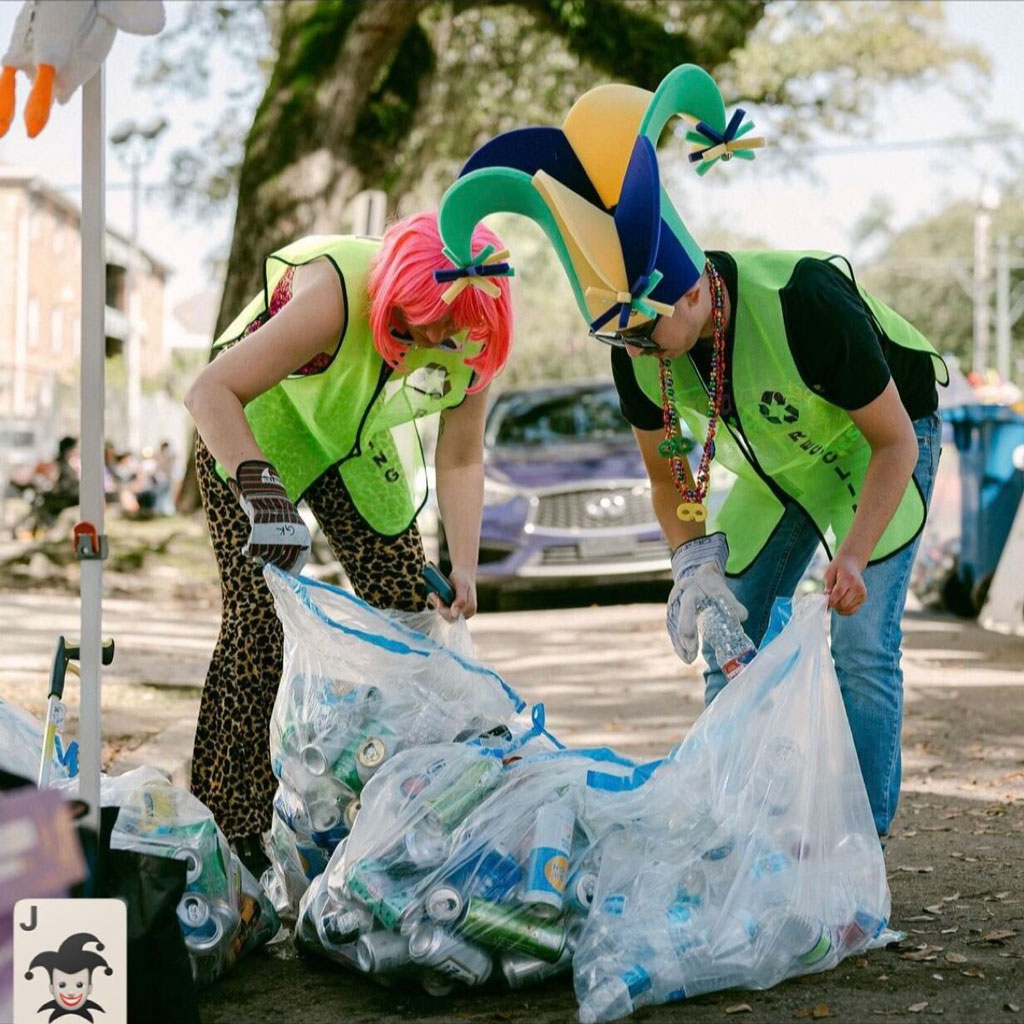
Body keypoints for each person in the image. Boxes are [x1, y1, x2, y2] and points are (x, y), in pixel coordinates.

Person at [434, 63, 946, 838]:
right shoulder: (637, 346)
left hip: (881, 444)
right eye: (622, 336)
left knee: (861, 643)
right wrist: (691, 567)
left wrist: (854, 556)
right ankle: (729, 826)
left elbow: (894, 442)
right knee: (728, 629)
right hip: (784, 462)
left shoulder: (807, 303)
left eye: (645, 330)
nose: (639, 350)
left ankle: (861, 841)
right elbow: (667, 471)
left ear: (696, 289)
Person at [183, 212, 514, 871]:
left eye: (459, 330)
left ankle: (421, 790)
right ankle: (232, 830)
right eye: (433, 326)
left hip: (354, 444)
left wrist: (466, 567)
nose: (447, 339)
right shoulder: (338, 293)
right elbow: (208, 391)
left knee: (410, 601)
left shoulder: (478, 327)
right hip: (255, 427)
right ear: (399, 298)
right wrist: (262, 491)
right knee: (257, 625)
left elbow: (460, 457)